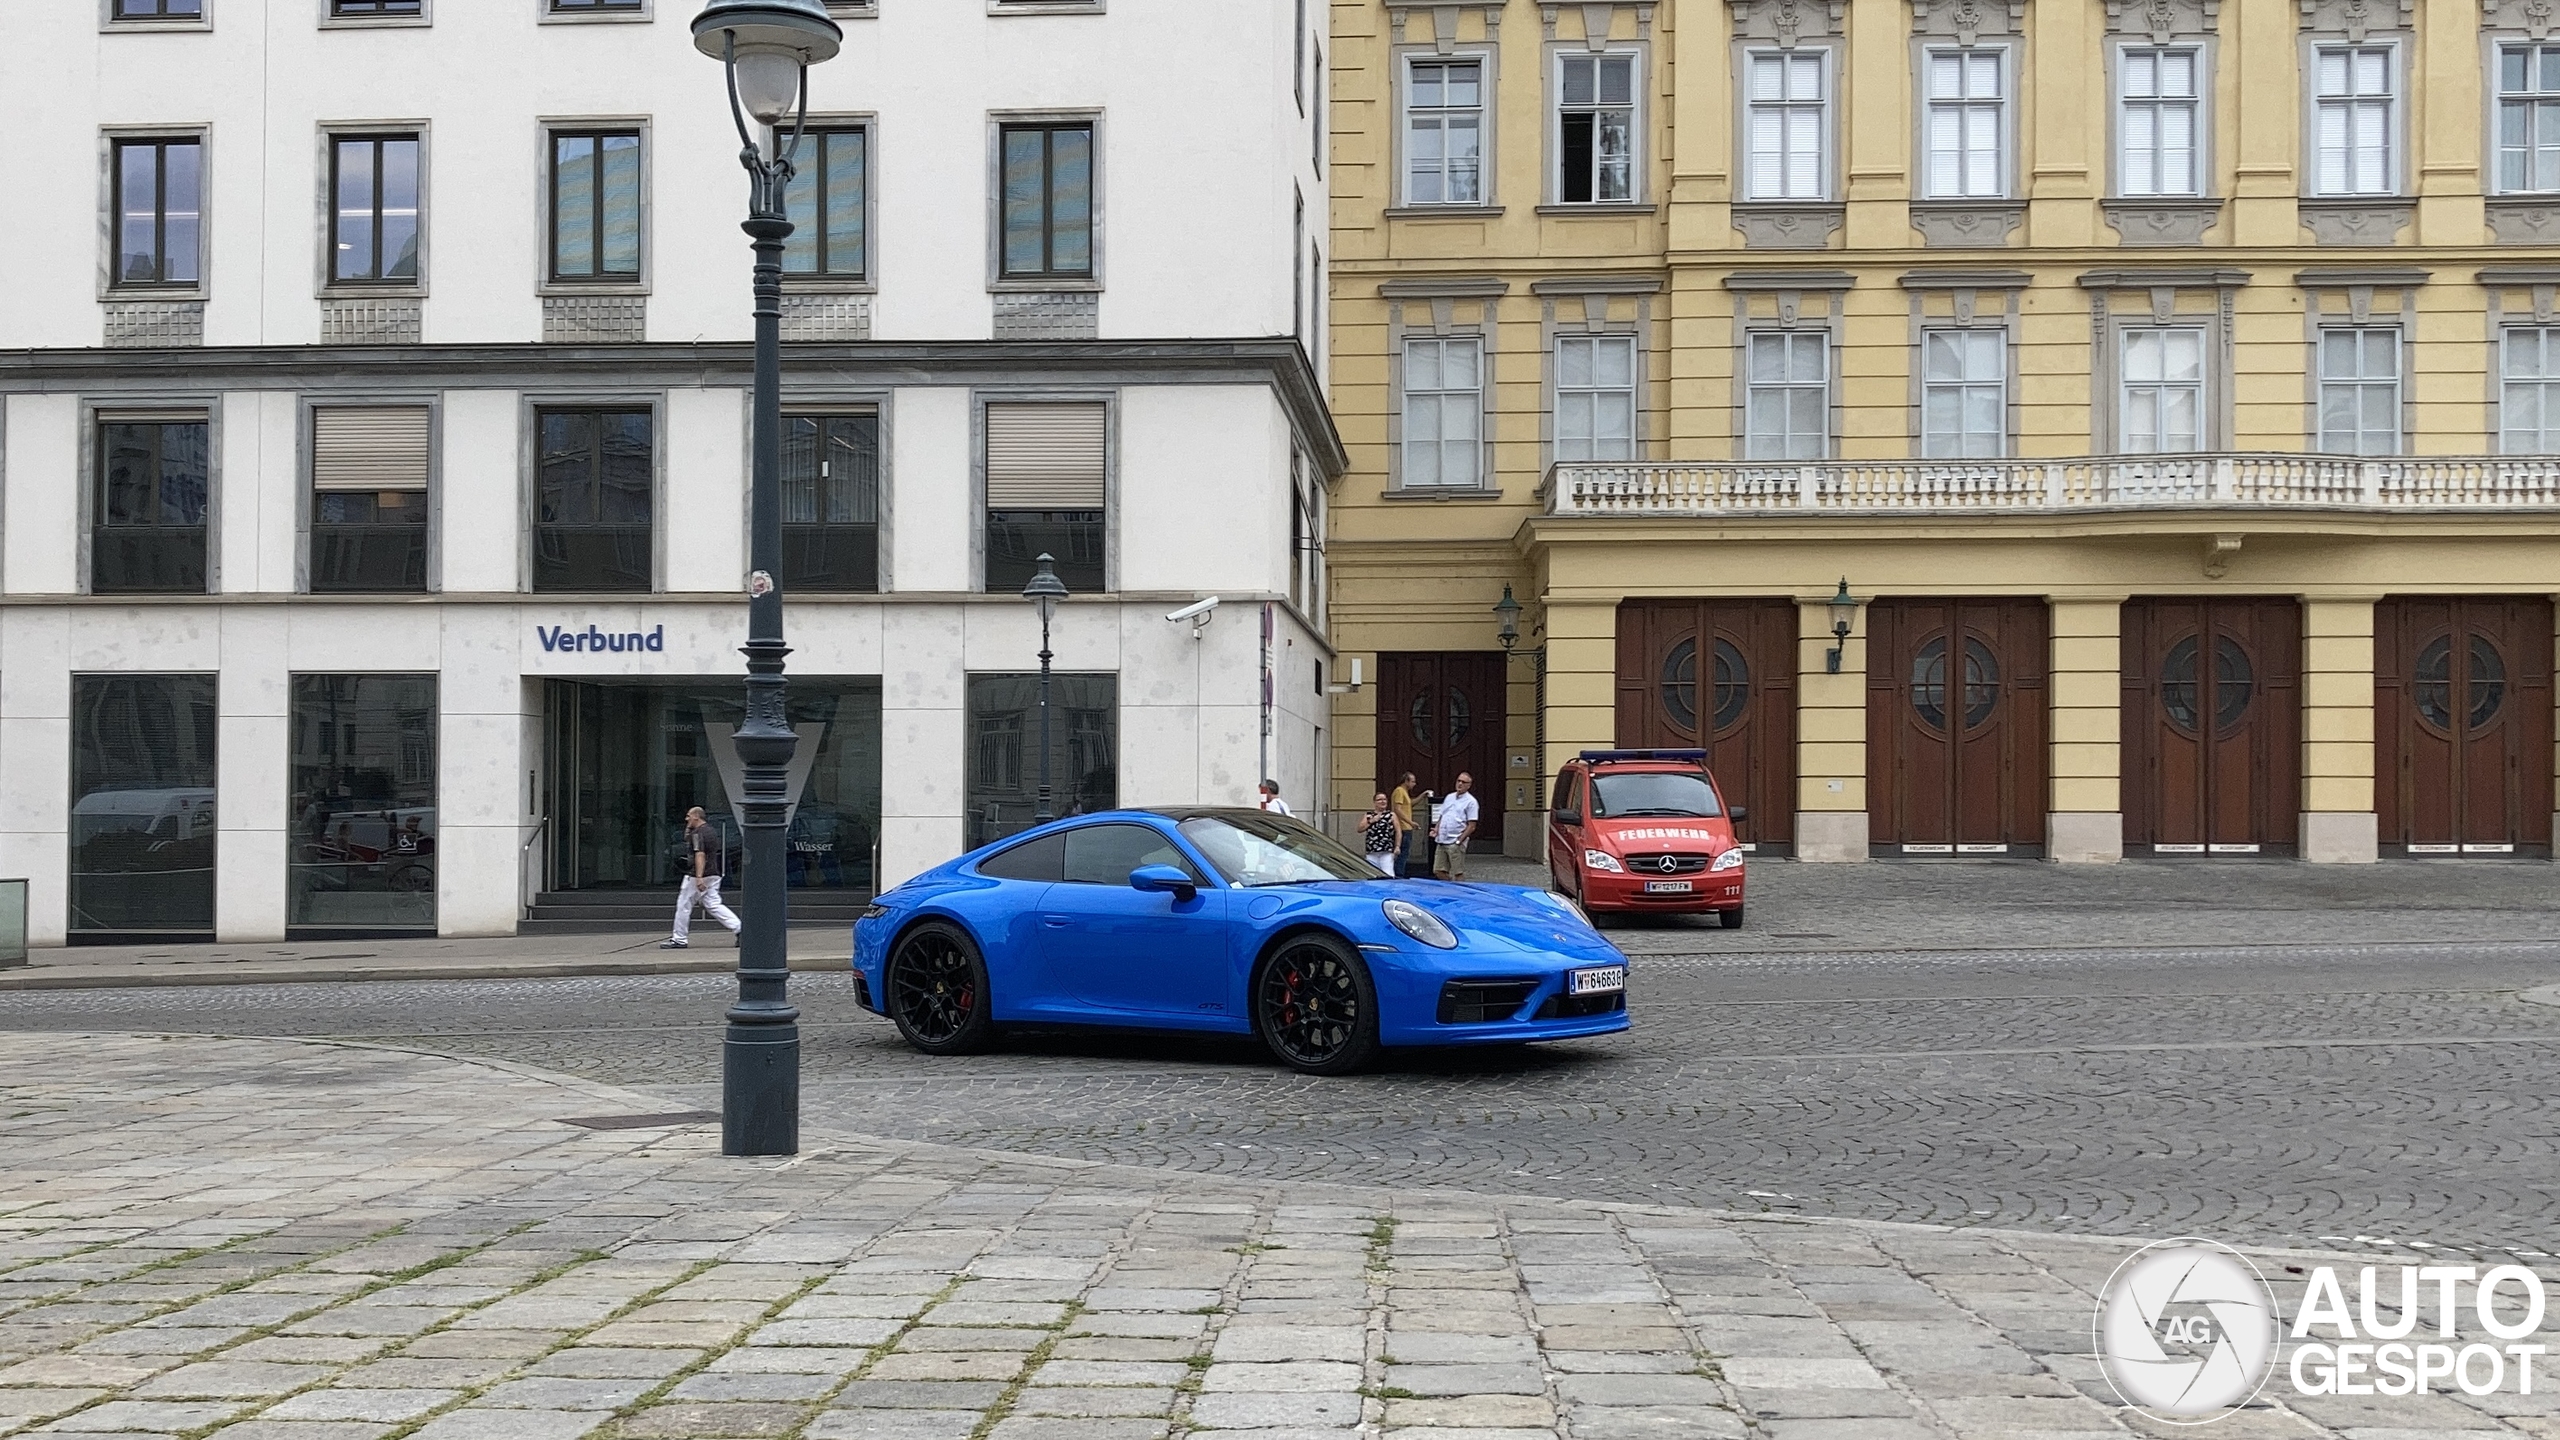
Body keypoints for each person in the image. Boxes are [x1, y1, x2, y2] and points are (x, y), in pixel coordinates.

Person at [661, 806, 741, 949]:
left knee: (684, 904)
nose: (687, 819)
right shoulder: (710, 831)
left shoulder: (698, 833)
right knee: (713, 903)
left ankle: (679, 938)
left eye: (688, 816)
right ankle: (740, 929)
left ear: (696, 816)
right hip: (713, 872)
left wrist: (698, 877)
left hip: (698, 874)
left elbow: (700, 854)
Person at [1431, 771, 1480, 880]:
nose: (1460, 784)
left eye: (1463, 782)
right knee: (1438, 870)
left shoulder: (1471, 802)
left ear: (1469, 785)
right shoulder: (1449, 797)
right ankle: (1450, 887)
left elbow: (1472, 825)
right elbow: (1442, 815)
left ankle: (1460, 892)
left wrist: (1459, 840)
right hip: (1442, 839)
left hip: (1456, 840)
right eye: (1458, 781)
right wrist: (1437, 829)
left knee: (1458, 872)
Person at [1389, 771, 1422, 877]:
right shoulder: (1399, 791)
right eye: (1413, 781)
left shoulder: (1404, 792)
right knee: (1402, 854)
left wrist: (1422, 795)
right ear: (1406, 781)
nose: (1414, 784)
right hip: (1402, 827)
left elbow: (1410, 804)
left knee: (1404, 853)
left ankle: (1399, 873)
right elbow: (1398, 809)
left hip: (1406, 827)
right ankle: (1399, 874)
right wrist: (1410, 822)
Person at [1359, 792, 1399, 877]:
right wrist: (1371, 821)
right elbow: (1360, 829)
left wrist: (1397, 846)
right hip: (1372, 850)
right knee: (1372, 875)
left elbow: (1398, 831)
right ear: (1374, 802)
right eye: (1379, 800)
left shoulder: (1391, 815)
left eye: (1384, 799)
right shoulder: (1369, 815)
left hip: (1386, 850)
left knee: (1388, 874)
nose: (1382, 801)